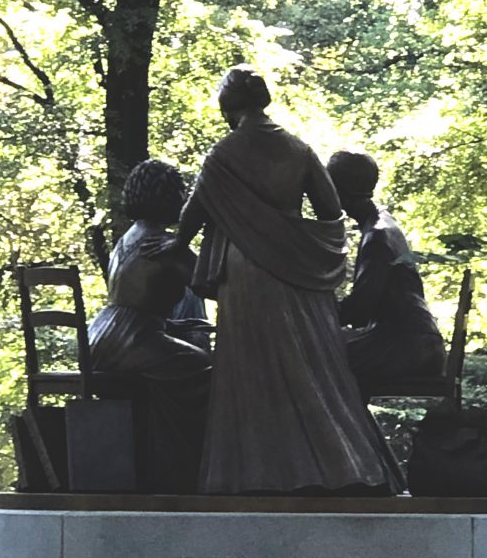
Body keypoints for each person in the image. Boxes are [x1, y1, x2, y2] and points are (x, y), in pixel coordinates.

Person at [151, 66, 401, 495]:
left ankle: (252, 474)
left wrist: (177, 246)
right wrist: (297, 246)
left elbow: (196, 208)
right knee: (312, 365)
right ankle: (337, 468)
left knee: (249, 368)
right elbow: (329, 213)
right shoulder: (298, 149)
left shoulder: (224, 153)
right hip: (296, 276)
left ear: (229, 105)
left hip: (245, 273)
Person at [90, 159, 213, 493]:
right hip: (133, 338)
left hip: (104, 333)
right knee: (209, 371)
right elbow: (213, 284)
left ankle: (164, 461)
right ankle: (186, 468)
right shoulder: (165, 246)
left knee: (180, 368)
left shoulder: (128, 238)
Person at [325, 151, 443, 386]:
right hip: (418, 343)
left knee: (310, 360)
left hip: (406, 347)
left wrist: (316, 313)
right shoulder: (384, 223)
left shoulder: (377, 237)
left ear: (339, 190)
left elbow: (359, 311)